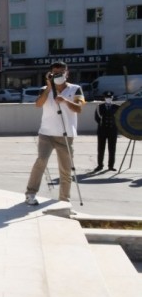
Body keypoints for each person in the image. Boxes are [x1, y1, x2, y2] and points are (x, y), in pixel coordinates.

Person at [24, 62, 85, 205]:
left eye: (61, 72)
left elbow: (79, 109)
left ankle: (64, 199)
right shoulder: (45, 89)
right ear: (51, 73)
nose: (58, 75)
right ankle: (30, 193)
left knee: (65, 168)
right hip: (46, 134)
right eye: (55, 72)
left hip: (66, 135)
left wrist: (64, 100)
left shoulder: (75, 89)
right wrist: (49, 87)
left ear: (67, 73)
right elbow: (38, 104)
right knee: (41, 161)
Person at [94, 90, 119, 172]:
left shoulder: (117, 107)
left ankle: (111, 166)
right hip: (102, 130)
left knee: (112, 149)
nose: (109, 99)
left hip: (112, 130)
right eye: (107, 97)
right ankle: (100, 165)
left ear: (112, 98)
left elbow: (119, 118)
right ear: (104, 98)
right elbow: (97, 118)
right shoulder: (99, 107)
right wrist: (103, 125)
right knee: (101, 149)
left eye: (110, 97)